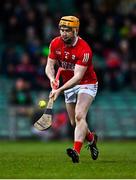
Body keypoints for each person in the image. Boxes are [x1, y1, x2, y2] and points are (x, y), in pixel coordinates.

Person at [45, 16, 99, 163]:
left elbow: (78, 77)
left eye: (67, 30)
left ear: (75, 30)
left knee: (80, 115)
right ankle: (91, 139)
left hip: (86, 83)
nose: (63, 33)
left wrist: (59, 90)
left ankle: (76, 151)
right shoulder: (55, 43)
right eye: (62, 30)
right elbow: (49, 66)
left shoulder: (84, 50)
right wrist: (51, 79)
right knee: (75, 123)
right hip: (68, 85)